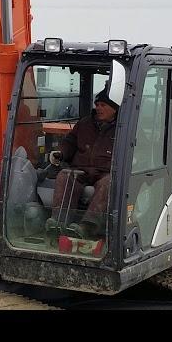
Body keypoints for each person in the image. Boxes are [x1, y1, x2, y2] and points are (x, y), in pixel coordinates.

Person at [45, 89, 119, 239]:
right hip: (81, 170)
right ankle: (58, 222)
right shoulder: (85, 124)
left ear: (115, 108)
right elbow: (69, 142)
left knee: (109, 182)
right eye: (97, 104)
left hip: (106, 171)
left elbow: (140, 149)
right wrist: (60, 153)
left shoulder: (124, 127)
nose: (98, 108)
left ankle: (87, 227)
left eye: (103, 105)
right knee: (65, 176)